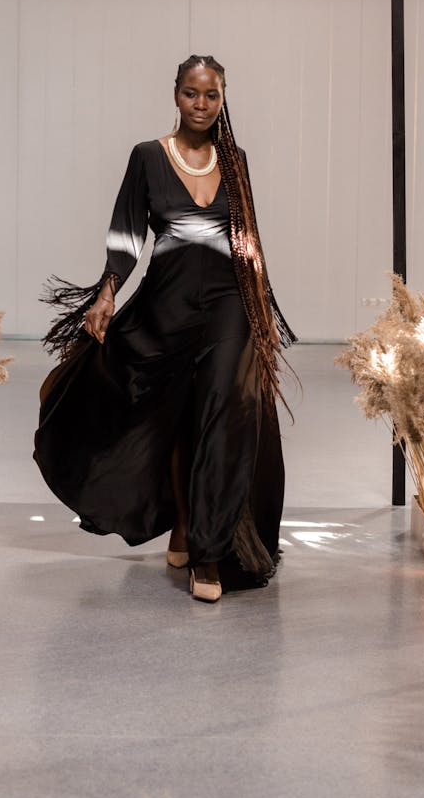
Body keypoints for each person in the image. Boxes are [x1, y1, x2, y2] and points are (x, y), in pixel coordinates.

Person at [33, 55, 296, 602]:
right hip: (165, 306)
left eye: (212, 95)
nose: (202, 105)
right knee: (173, 418)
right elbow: (128, 231)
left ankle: (208, 554)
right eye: (192, 94)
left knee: (223, 415)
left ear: (223, 98)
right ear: (175, 95)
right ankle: (180, 523)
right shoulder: (149, 157)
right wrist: (107, 290)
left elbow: (247, 240)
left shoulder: (234, 158)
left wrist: (263, 310)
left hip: (227, 304)